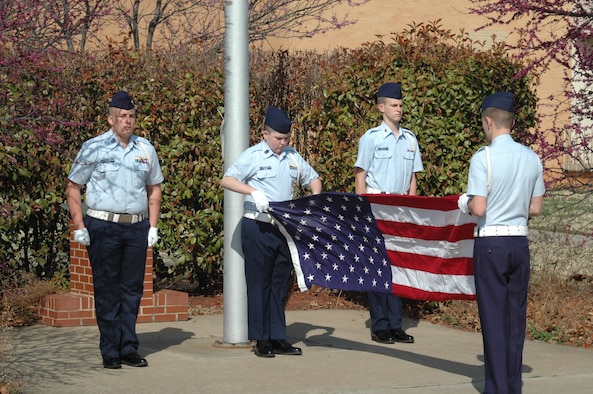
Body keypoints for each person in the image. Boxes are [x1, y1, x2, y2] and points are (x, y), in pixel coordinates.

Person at [66, 91, 164, 369]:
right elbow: (73, 186)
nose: (127, 121)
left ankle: (128, 347)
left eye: (131, 116)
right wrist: (80, 226)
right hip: (103, 226)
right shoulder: (94, 147)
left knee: (132, 289)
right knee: (108, 289)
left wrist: (153, 226)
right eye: (122, 116)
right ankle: (110, 350)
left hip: (135, 227)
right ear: (110, 119)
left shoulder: (145, 149)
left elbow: (154, 187)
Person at [458, 91, 545, 393]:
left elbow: (478, 207)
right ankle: (513, 385)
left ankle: (497, 388)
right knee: (514, 319)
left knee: (494, 319)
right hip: (519, 243)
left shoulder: (484, 158)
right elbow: (535, 208)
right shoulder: (532, 158)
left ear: (488, 121)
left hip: (492, 243)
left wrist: (463, 202)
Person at [220, 106, 322, 358]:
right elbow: (227, 179)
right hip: (257, 226)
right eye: (278, 138)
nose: (282, 143)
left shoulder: (292, 157)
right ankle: (261, 339)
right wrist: (252, 192)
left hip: (284, 229)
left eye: (286, 139)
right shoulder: (253, 156)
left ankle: (277, 336)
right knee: (259, 284)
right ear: (265, 134)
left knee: (279, 284)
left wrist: (313, 201)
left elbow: (315, 179)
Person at [354, 82, 423, 344]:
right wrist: (362, 209)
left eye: (401, 105)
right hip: (376, 206)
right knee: (377, 266)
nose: (399, 110)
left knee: (398, 267)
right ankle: (380, 324)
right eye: (394, 106)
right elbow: (361, 175)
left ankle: (396, 324)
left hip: (400, 209)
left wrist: (412, 209)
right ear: (381, 108)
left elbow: (413, 178)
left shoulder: (410, 139)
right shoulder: (370, 138)